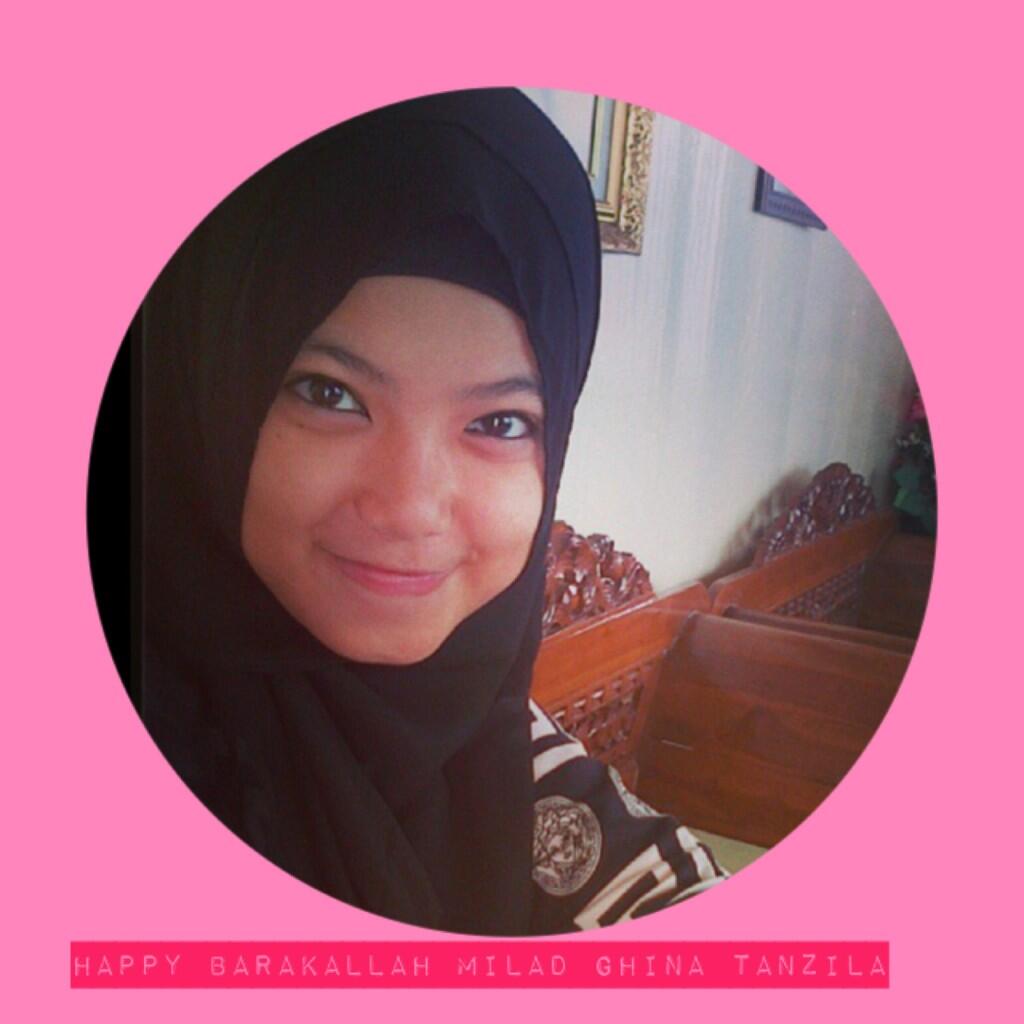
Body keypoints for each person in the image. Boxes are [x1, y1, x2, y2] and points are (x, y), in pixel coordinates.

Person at [130, 88, 725, 935]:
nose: (409, 508)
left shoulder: (518, 766)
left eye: (500, 423)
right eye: (329, 393)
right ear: (204, 398)